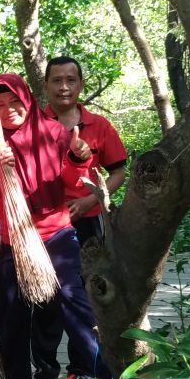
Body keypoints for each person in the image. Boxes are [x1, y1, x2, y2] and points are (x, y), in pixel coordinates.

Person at [0, 73, 104, 379]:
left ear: (27, 100)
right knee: (12, 319)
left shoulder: (52, 132)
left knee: (74, 303)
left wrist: (80, 158)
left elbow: (69, 181)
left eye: (14, 102)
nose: (8, 110)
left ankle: (106, 377)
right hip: (8, 242)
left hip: (53, 233)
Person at [41, 56, 127, 245]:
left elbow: (119, 173)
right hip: (42, 221)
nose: (64, 87)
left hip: (89, 219)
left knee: (91, 272)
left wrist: (90, 201)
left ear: (81, 85)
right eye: (57, 81)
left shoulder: (100, 125)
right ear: (45, 85)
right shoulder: (33, 126)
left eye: (71, 80)